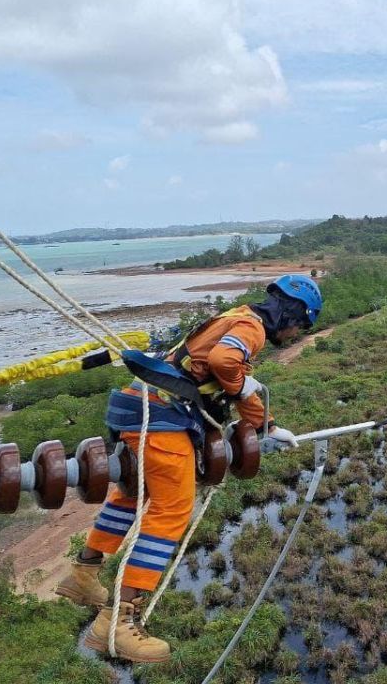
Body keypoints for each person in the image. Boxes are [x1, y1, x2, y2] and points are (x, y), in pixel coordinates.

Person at [55, 274, 322, 663]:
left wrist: (269, 425)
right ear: (294, 313)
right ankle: (117, 622)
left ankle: (83, 573)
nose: (297, 333)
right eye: (302, 324)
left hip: (137, 406)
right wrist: (245, 386)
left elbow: (225, 375)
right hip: (163, 418)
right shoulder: (253, 328)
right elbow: (225, 362)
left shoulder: (236, 315)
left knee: (134, 495)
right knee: (172, 511)